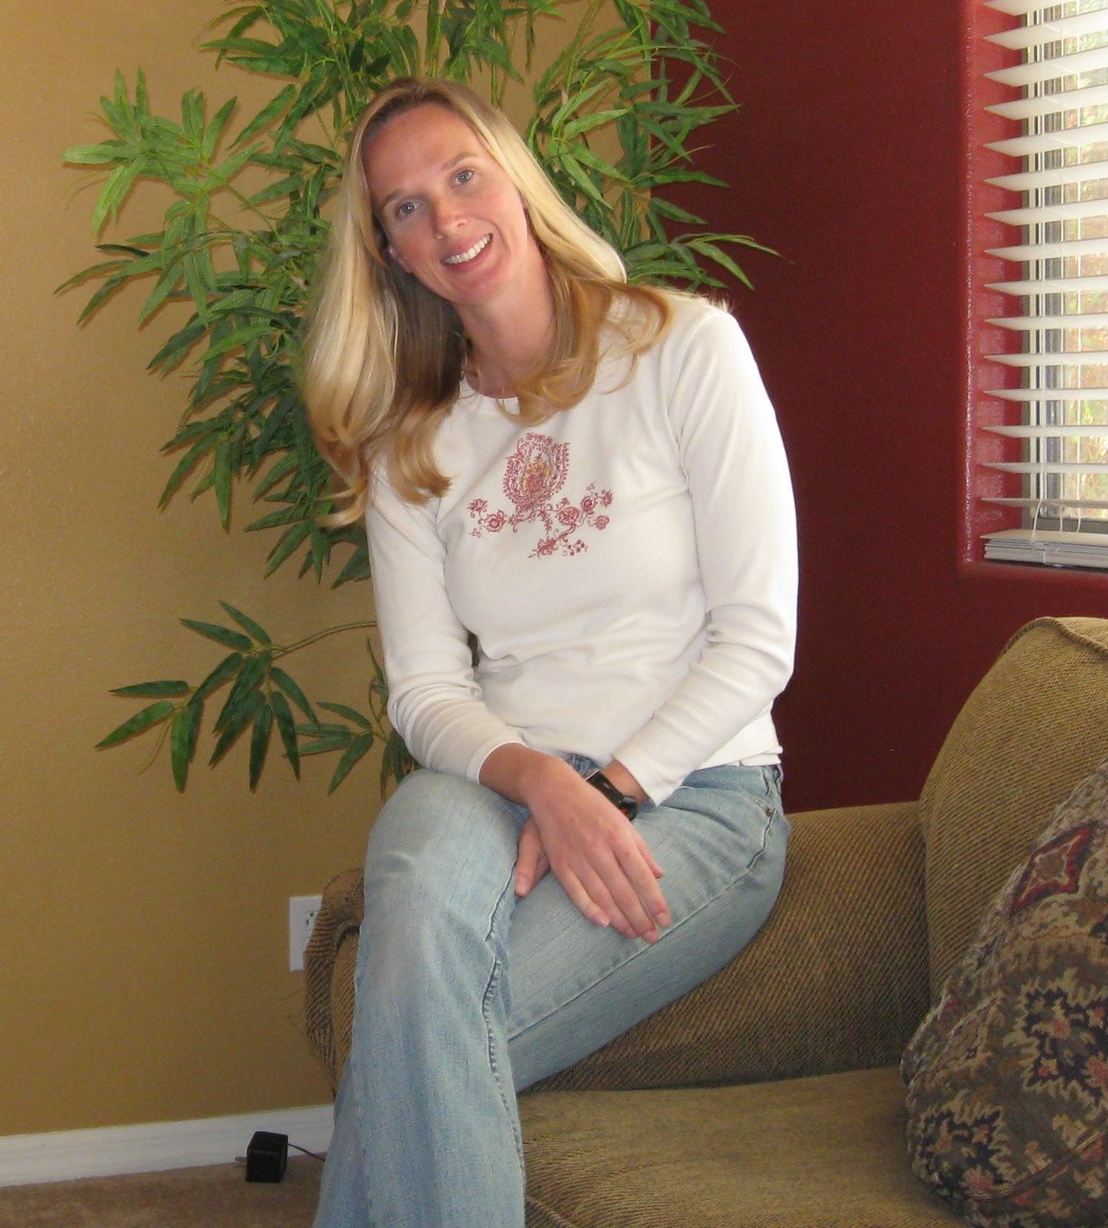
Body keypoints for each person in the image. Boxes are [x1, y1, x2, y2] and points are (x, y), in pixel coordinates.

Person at [301, 77, 798, 1228]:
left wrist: (607, 791)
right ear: (388, 254)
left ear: (516, 181)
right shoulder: (411, 442)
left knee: (418, 1029)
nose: (445, 218)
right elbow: (426, 691)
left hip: (697, 794)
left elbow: (757, 637)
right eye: (405, 208)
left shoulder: (680, 348)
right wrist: (537, 780)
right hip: (496, 782)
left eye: (461, 175)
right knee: (413, 857)